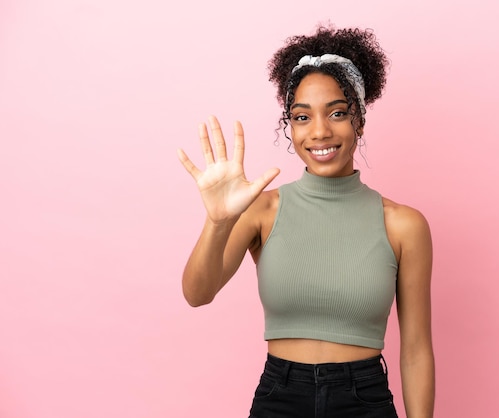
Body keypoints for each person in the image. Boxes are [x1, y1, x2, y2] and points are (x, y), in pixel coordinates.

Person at [177, 26, 434, 418]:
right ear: (291, 127)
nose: (319, 132)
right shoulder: (261, 211)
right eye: (301, 117)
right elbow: (197, 293)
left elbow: (416, 349)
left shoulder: (403, 225)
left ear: (359, 120)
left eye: (337, 113)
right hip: (280, 397)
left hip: (364, 400)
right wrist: (218, 222)